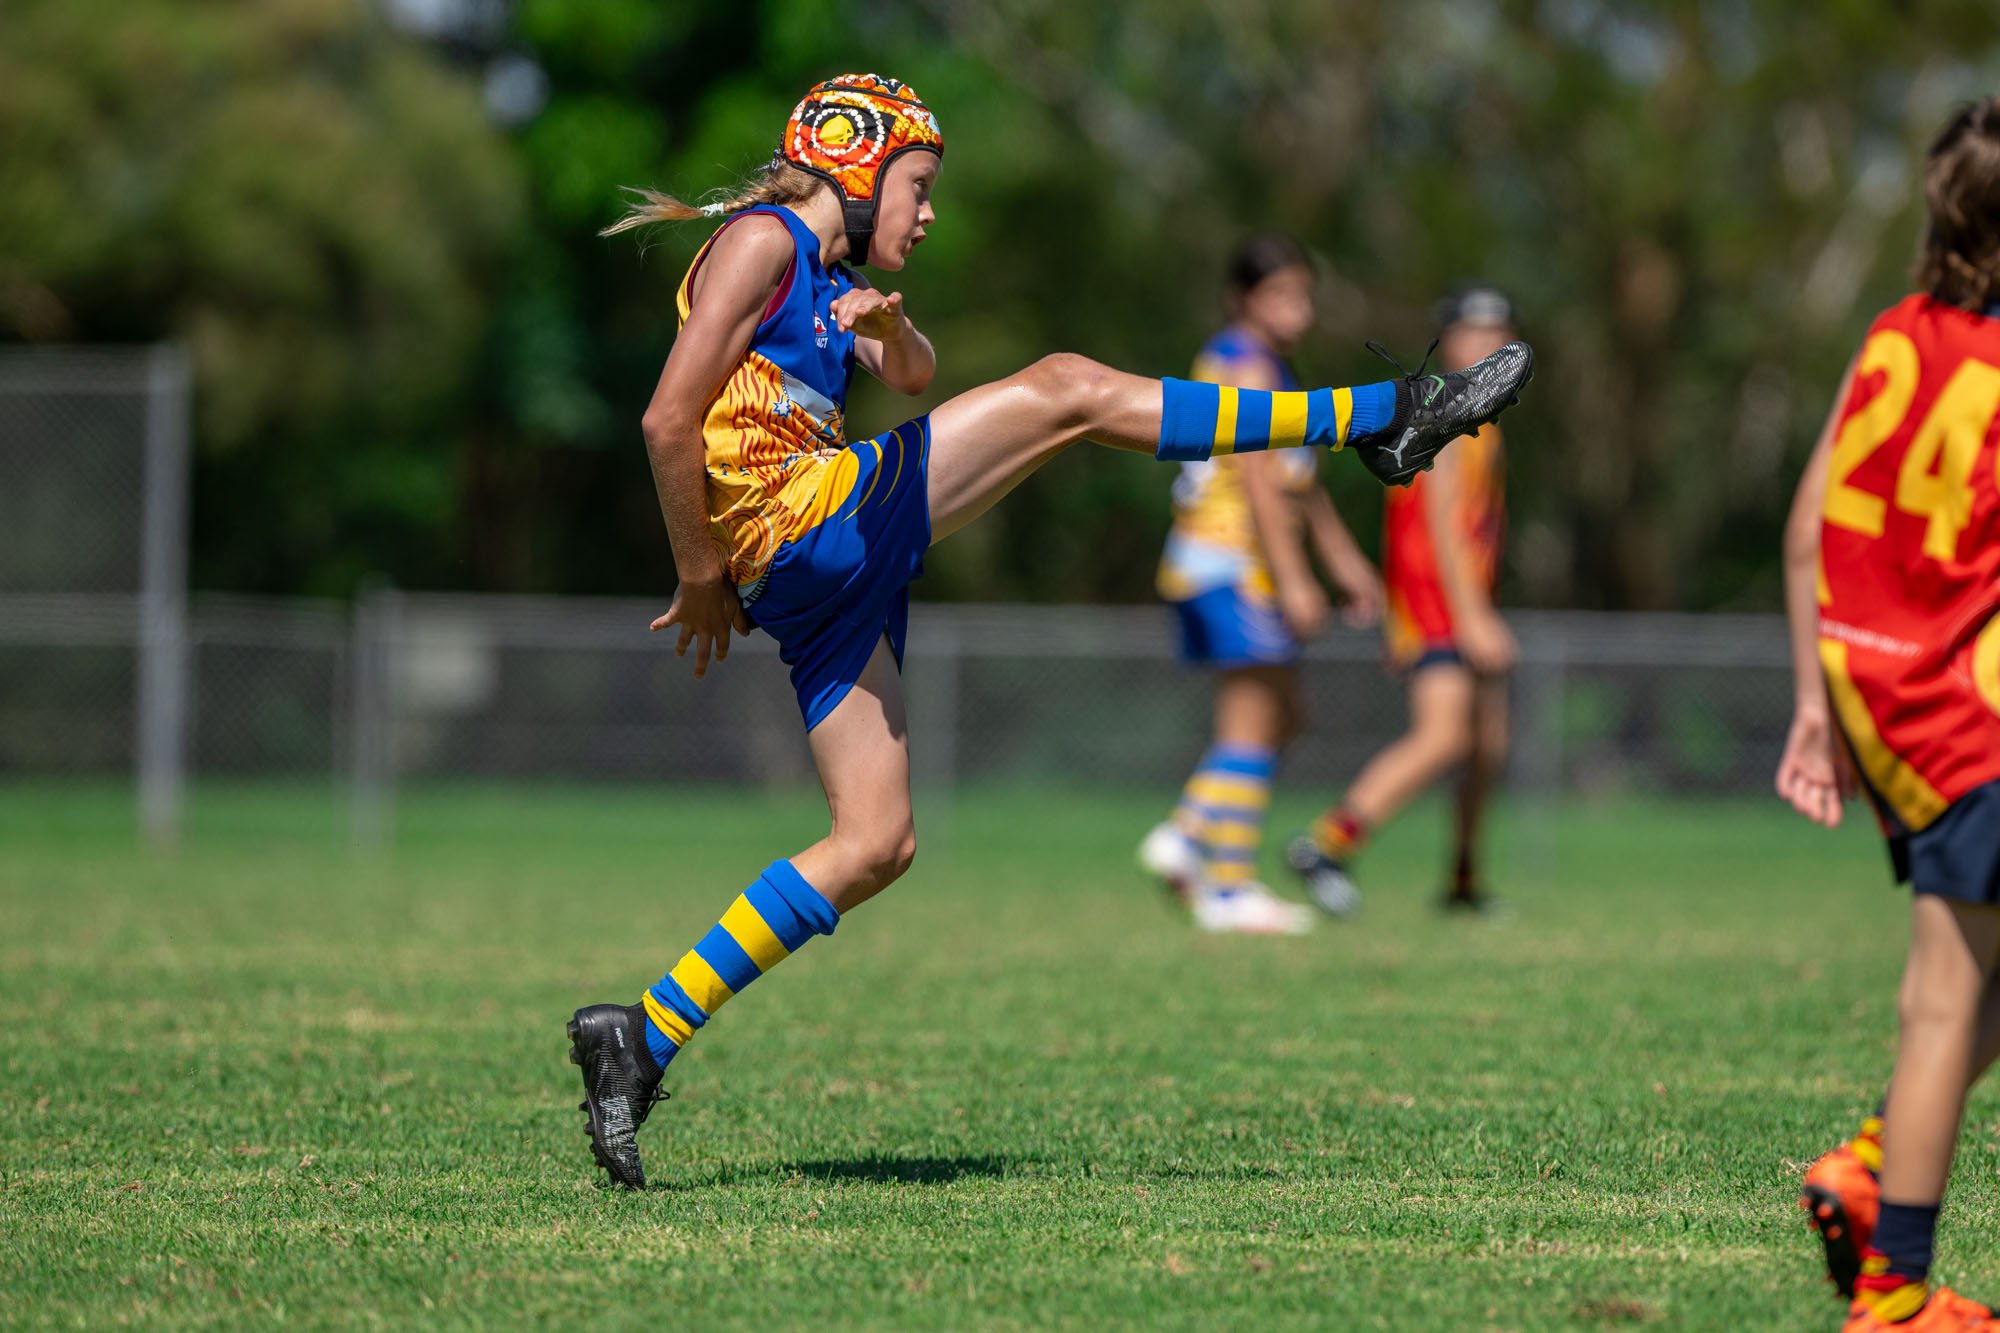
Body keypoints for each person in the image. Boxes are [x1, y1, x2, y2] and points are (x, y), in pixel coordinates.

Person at [565, 73, 1534, 1189]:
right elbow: (666, 417)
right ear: (855, 164)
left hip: (815, 563)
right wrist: (697, 574)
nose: (928, 211)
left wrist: (891, 325)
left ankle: (641, 1033)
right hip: (802, 522)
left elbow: (914, 375)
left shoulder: (828, 274)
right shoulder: (762, 241)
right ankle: (1389, 415)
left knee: (875, 842)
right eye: (918, 185)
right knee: (1068, 388)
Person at [1780, 95, 2000, 1332]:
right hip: (1964, 710)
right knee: (1942, 998)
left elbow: (1805, 526)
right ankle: (1891, 1288)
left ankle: (1871, 1171)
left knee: (1959, 987)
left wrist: (1813, 709)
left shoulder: (1890, 337)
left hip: (1873, 692)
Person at [1136, 233, 1384, 935]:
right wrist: (1297, 580)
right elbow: (1260, 482)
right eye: (1280, 295)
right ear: (1241, 299)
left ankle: (1190, 837)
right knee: (1253, 723)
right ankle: (1224, 882)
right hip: (1230, 562)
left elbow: (1300, 482)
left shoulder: (1269, 366)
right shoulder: (1244, 365)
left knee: (1282, 714)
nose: (1296, 310)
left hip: (1220, 565)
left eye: (1304, 296)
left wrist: (1345, 564)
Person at [1288, 287, 1519, 917]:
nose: (1489, 341)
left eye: (1499, 329)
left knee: (1487, 744)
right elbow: (1442, 524)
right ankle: (1325, 844)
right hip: (1437, 609)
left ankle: (1464, 881)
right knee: (1443, 738)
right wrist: (1473, 618)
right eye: (1473, 330)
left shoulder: (1482, 416)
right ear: (1448, 341)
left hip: (1457, 604)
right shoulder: (1451, 408)